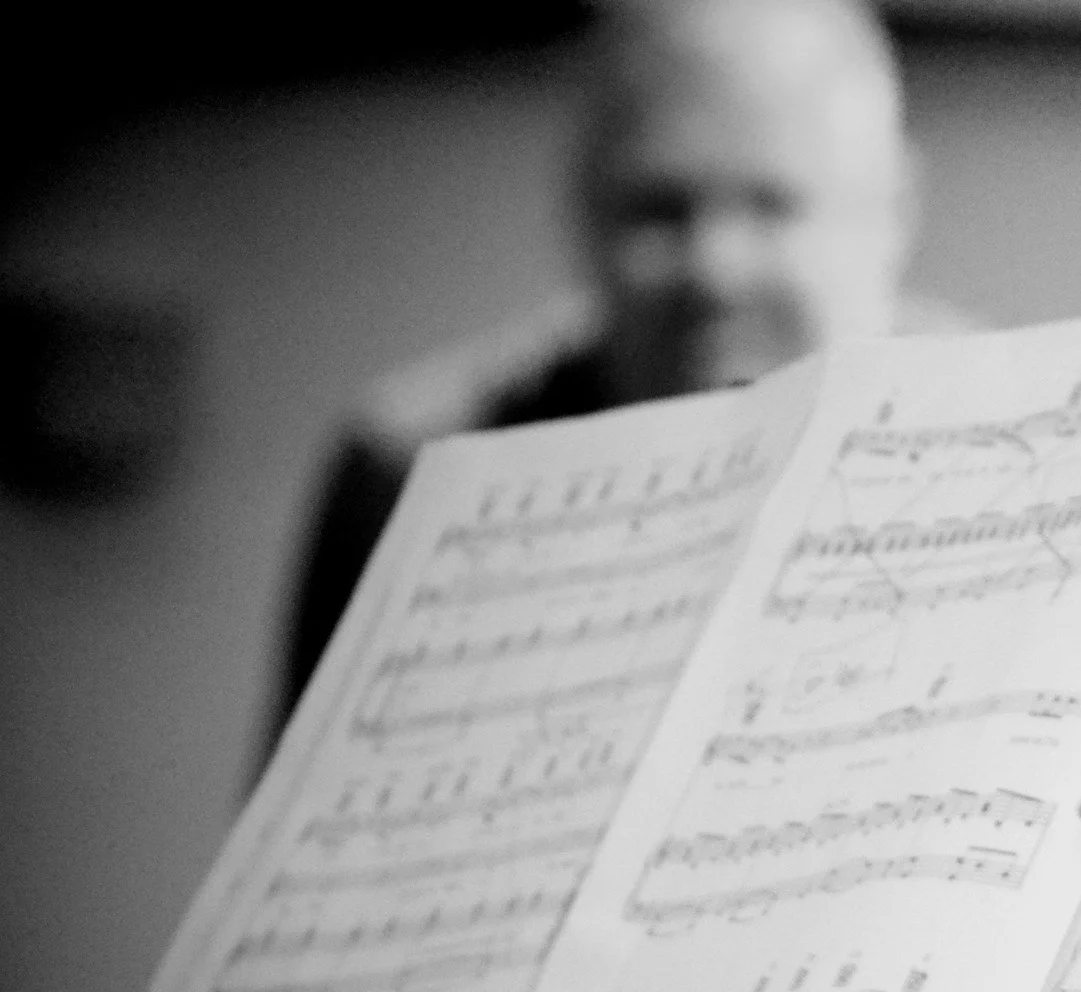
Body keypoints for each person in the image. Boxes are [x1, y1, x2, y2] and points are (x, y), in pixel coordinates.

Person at [278, 0, 923, 721]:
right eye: (660, 209)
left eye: (772, 205)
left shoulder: (1028, 445)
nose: (714, 269)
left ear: (896, 210)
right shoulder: (411, 472)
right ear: (583, 215)